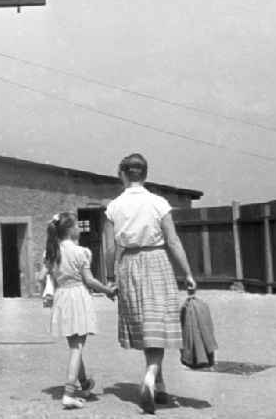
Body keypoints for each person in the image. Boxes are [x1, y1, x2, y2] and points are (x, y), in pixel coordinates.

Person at [104, 153, 197, 415]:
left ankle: (160, 384)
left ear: (122, 174)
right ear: (145, 174)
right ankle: (150, 377)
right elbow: (173, 241)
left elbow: (110, 247)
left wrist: (111, 277)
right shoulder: (158, 203)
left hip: (129, 264)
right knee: (157, 323)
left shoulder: (114, 207)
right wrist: (188, 273)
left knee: (147, 326)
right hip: (156, 261)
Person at [38, 211, 118, 410]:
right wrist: (108, 290)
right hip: (77, 298)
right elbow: (89, 280)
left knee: (74, 344)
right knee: (77, 348)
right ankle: (68, 393)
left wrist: (47, 291)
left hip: (62, 298)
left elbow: (41, 276)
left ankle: (83, 383)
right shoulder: (81, 252)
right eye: (77, 226)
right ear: (72, 230)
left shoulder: (51, 252)